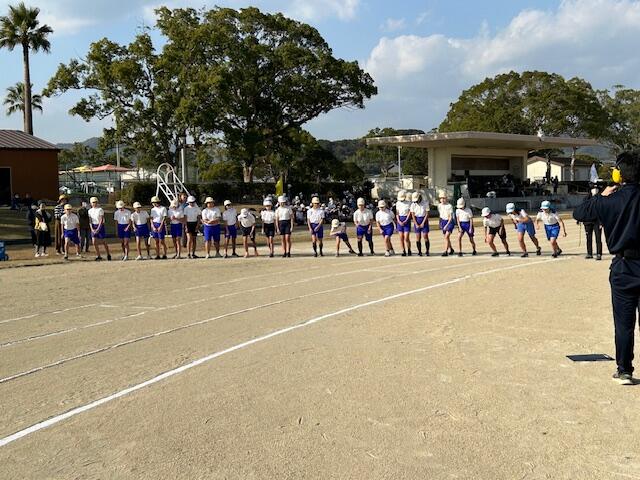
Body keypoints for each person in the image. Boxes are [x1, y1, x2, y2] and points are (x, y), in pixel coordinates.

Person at [573, 150, 640, 385]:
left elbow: (580, 213)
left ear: (619, 174)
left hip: (624, 266)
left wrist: (601, 195)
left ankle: (624, 370)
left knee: (624, 324)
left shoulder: (609, 200)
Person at [580, 186, 603, 260]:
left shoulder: (601, 199)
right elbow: (583, 209)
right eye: (593, 188)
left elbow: (602, 211)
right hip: (587, 222)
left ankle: (599, 254)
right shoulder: (586, 199)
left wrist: (601, 222)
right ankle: (589, 253)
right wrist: (580, 219)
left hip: (597, 222)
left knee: (598, 238)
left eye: (596, 189)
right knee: (588, 238)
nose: (595, 190)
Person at [88, 196, 112, 261]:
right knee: (94, 241)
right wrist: (92, 228)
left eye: (95, 202)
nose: (94, 203)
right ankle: (98, 255)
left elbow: (101, 219)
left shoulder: (100, 210)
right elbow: (90, 220)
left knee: (103, 241)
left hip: (100, 226)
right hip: (93, 225)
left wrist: (98, 228)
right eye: (93, 202)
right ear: (91, 203)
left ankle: (108, 254)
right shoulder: (89, 211)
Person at [410, 191, 430, 256]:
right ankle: (419, 251)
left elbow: (427, 214)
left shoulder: (425, 203)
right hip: (417, 220)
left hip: (424, 220)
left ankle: (427, 251)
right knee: (418, 237)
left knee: (425, 236)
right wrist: (416, 224)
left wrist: (423, 223)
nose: (416, 201)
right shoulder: (413, 205)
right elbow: (413, 215)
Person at [437, 191, 455, 257]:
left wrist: (446, 225)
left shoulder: (449, 206)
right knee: (446, 238)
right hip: (443, 221)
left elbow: (450, 217)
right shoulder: (439, 206)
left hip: (449, 222)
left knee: (447, 236)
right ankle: (451, 249)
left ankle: (446, 251)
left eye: (444, 198)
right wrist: (440, 223)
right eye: (441, 198)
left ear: (446, 198)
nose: (442, 199)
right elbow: (440, 215)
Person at [395, 190, 412, 256]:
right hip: (400, 220)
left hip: (406, 220)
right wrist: (399, 221)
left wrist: (406, 220)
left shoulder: (408, 203)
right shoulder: (397, 203)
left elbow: (409, 212)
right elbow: (397, 213)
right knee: (401, 237)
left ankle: (409, 249)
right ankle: (403, 250)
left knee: (406, 237)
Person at [150, 196, 168, 260]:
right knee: (156, 241)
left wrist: (161, 226)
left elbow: (164, 218)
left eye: (154, 202)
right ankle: (157, 255)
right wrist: (152, 226)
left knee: (162, 241)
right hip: (154, 224)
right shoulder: (152, 209)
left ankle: (164, 254)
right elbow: (151, 218)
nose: (153, 204)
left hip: (160, 224)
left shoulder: (163, 208)